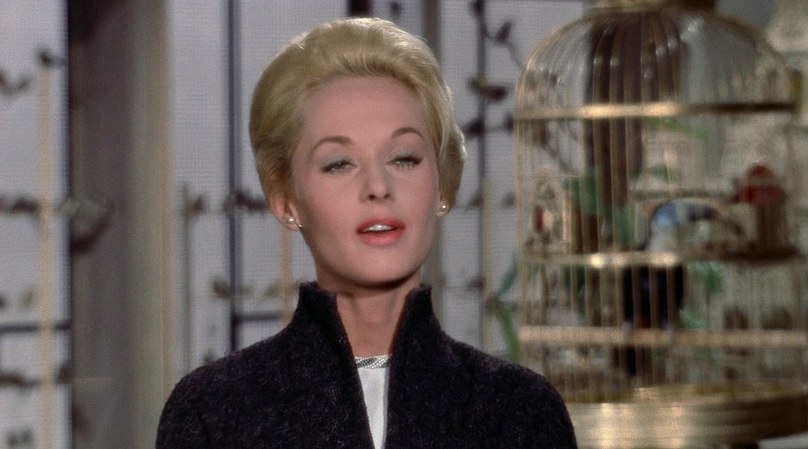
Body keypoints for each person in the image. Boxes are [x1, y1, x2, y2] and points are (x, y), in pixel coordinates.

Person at [156, 17, 577, 449]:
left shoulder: (519, 410)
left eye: (404, 158)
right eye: (339, 163)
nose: (378, 186)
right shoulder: (213, 411)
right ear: (286, 201)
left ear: (442, 186)